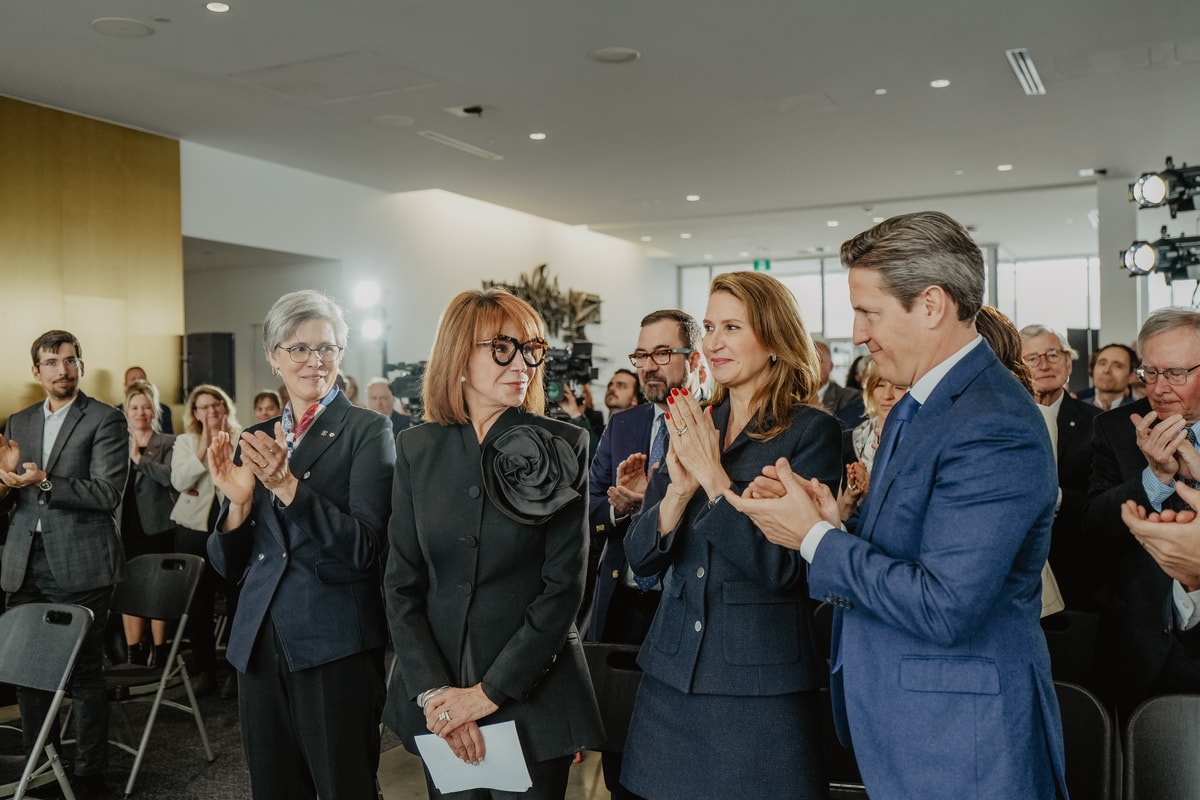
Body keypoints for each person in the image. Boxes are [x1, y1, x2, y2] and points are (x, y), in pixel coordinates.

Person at [725, 212, 1067, 799]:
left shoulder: (991, 422)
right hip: (916, 723)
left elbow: (945, 605)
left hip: (963, 742)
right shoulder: (926, 404)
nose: (857, 333)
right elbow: (911, 550)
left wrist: (813, 539)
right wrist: (831, 520)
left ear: (931, 305)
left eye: (869, 312)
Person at [621, 272, 841, 800]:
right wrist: (676, 493)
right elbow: (641, 560)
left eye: (732, 327)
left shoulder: (811, 433)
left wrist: (715, 481)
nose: (714, 341)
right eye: (711, 326)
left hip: (760, 685)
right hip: (670, 679)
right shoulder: (695, 419)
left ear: (774, 339)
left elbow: (785, 570)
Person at [383, 288, 603, 800]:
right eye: (502, 348)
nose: (522, 363)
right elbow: (401, 585)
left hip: (534, 696)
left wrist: (487, 694)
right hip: (438, 702)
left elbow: (563, 588)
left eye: (531, 349)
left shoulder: (564, 444)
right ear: (460, 356)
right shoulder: (417, 447)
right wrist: (440, 695)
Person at [206, 289, 395, 799]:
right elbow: (227, 565)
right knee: (274, 787)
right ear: (273, 357)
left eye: (327, 348)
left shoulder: (368, 430)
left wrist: (289, 488)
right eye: (299, 349)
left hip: (335, 640)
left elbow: (368, 550)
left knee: (344, 787)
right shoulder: (259, 433)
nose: (315, 361)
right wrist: (239, 504)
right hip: (261, 641)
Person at [0, 330, 128, 799]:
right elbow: (13, 497)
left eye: (71, 361)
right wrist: (7, 483)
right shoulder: (19, 419)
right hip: (23, 564)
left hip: (82, 563)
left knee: (85, 674)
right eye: (52, 362)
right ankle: (42, 763)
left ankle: (89, 774)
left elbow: (107, 493)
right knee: (29, 671)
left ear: (81, 365)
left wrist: (45, 481)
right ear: (37, 371)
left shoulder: (105, 419)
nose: (63, 370)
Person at [586, 309, 705, 800]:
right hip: (625, 609)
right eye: (641, 355)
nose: (649, 366)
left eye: (662, 353)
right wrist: (622, 512)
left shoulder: (716, 422)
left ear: (693, 358)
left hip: (687, 608)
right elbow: (588, 508)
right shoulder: (624, 426)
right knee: (622, 758)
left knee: (682, 757)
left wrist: (654, 507)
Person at [1083, 307, 1200, 715]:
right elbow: (1094, 527)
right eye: (1150, 372)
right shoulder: (1116, 429)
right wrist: (1154, 478)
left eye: (1176, 373)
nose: (1160, 387)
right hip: (1141, 644)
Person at [1019, 324, 1102, 611]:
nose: (1044, 365)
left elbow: (1105, 499)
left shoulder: (1099, 423)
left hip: (1078, 572)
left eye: (1053, 354)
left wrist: (1056, 496)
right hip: (1017, 572)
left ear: (1068, 362)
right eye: (1032, 358)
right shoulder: (1005, 419)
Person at [170, 384, 241, 696]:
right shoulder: (184, 441)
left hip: (233, 528)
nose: (211, 411)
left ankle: (237, 673)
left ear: (225, 407)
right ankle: (206, 671)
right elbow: (180, 480)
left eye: (216, 405)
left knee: (238, 602)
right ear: (195, 414)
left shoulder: (242, 437)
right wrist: (203, 446)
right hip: (193, 529)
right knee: (198, 605)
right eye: (204, 407)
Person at [118, 379, 178, 666]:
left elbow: (170, 477)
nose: (140, 412)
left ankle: (159, 649)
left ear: (154, 411)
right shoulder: (115, 443)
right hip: (123, 525)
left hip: (156, 527)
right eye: (134, 407)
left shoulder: (167, 442)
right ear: (126, 410)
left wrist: (139, 459)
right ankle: (134, 652)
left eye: (146, 407)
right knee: (128, 589)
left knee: (156, 588)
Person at [839, 358, 907, 524]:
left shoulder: (918, 442)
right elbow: (837, 515)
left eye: (898, 387)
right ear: (869, 390)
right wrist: (851, 496)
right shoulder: (849, 440)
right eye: (880, 385)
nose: (887, 395)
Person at [1077, 343, 1137, 411]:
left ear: (1131, 376)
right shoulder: (1076, 409)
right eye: (1102, 363)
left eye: (1117, 366)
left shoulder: (1139, 413)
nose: (1106, 370)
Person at [125, 365, 174, 433]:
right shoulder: (115, 412)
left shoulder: (164, 410)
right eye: (133, 379)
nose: (138, 381)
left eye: (147, 407)